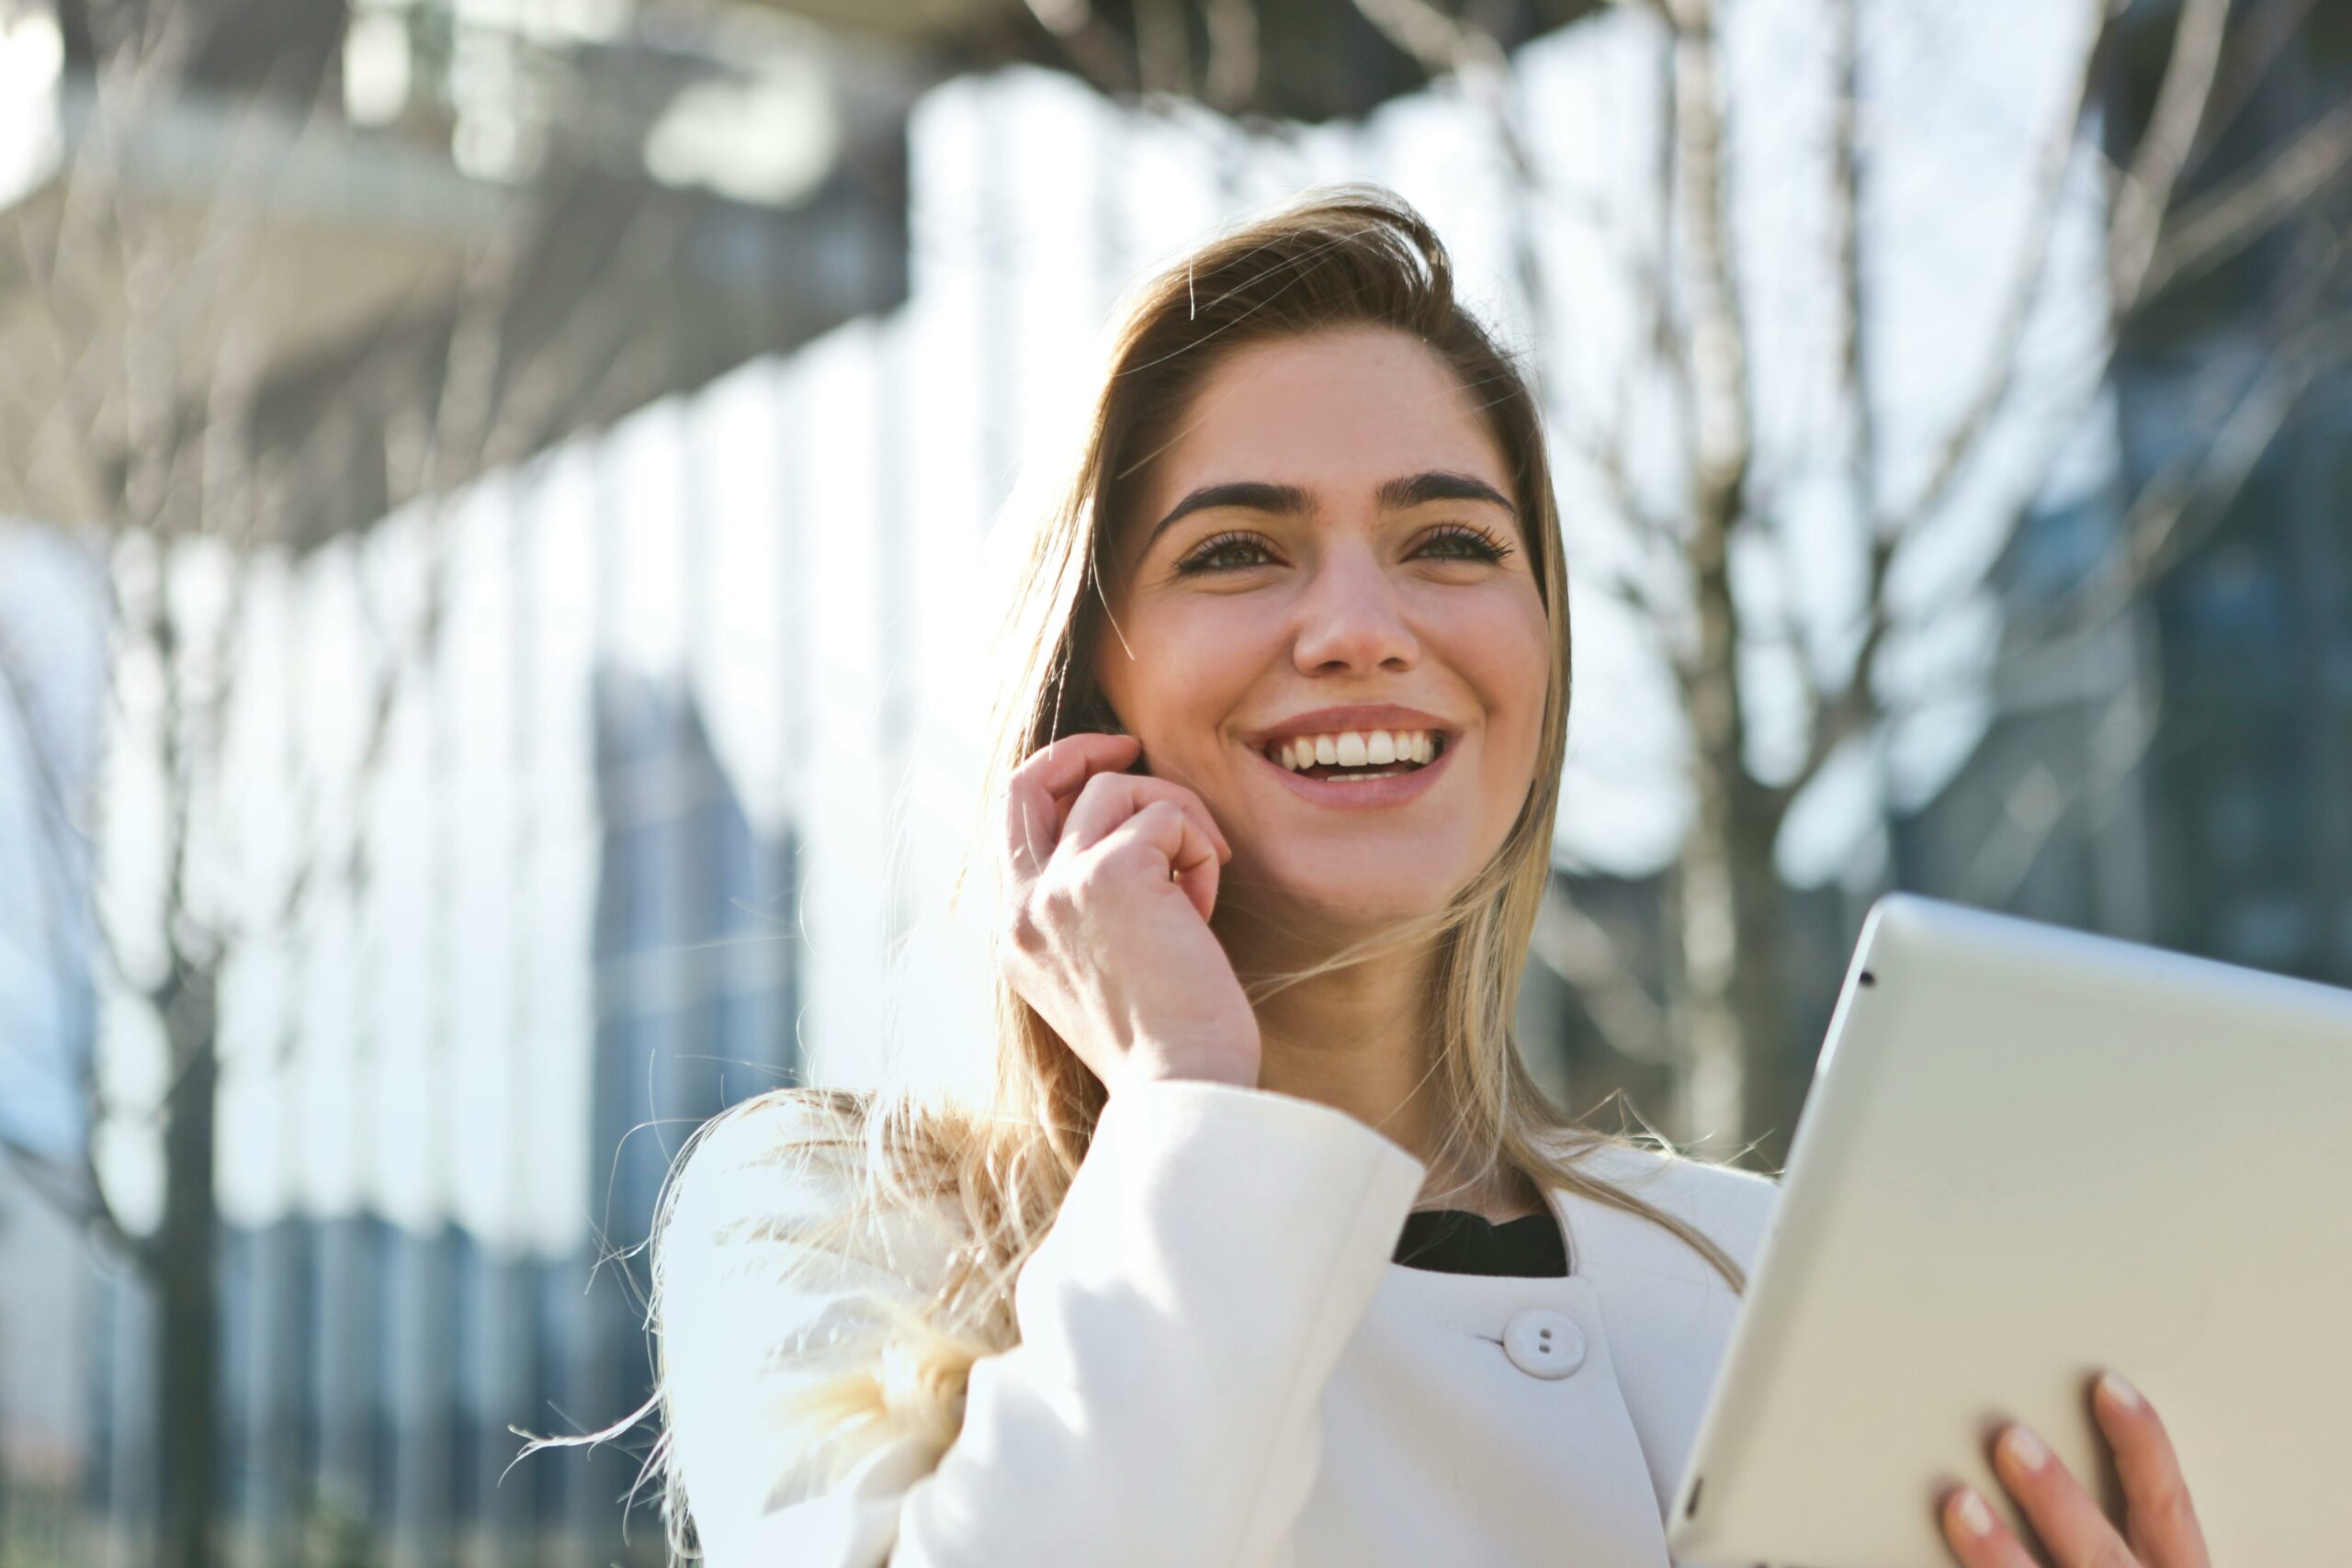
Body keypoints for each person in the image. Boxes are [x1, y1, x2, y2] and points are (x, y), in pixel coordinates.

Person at [647, 187, 2211, 1568]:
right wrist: (1193, 1100)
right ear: (1084, 684)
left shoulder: (1761, 1272)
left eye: (1452, 543)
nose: (1361, 626)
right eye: (1238, 550)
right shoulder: (822, 1225)